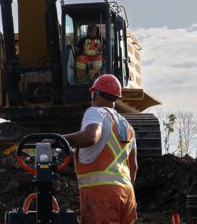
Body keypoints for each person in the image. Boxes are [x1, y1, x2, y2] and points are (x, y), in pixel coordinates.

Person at [58, 74, 138, 224]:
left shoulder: (95, 112)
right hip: (127, 195)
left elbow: (90, 137)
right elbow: (133, 166)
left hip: (101, 196)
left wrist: (59, 140)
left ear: (94, 94)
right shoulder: (128, 126)